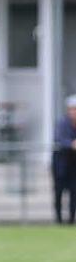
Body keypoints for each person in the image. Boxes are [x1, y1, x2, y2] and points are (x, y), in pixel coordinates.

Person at [52, 95, 76, 224]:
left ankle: (71, 219)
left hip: (74, 164)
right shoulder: (62, 123)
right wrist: (71, 144)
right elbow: (59, 139)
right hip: (61, 163)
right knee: (59, 191)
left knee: (74, 192)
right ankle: (59, 219)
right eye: (72, 109)